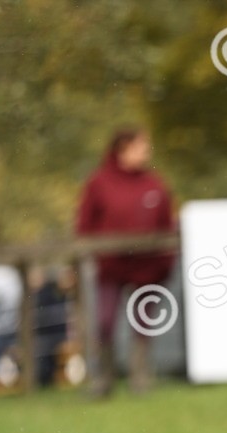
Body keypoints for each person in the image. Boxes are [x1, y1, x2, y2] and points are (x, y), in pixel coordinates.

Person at [76, 127, 176, 396]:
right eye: (141, 146)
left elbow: (167, 227)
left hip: (147, 269)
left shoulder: (155, 184)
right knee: (105, 322)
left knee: (143, 324)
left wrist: (165, 263)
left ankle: (140, 379)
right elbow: (85, 225)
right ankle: (103, 380)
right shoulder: (99, 183)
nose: (146, 152)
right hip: (110, 267)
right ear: (123, 149)